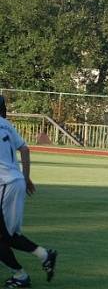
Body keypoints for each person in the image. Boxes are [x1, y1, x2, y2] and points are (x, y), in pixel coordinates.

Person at [0, 96, 57, 288]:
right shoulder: (6, 124)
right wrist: (25, 177)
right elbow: (24, 149)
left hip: (4, 184)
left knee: (3, 238)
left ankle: (21, 276)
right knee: (9, 235)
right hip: (14, 181)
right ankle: (44, 255)